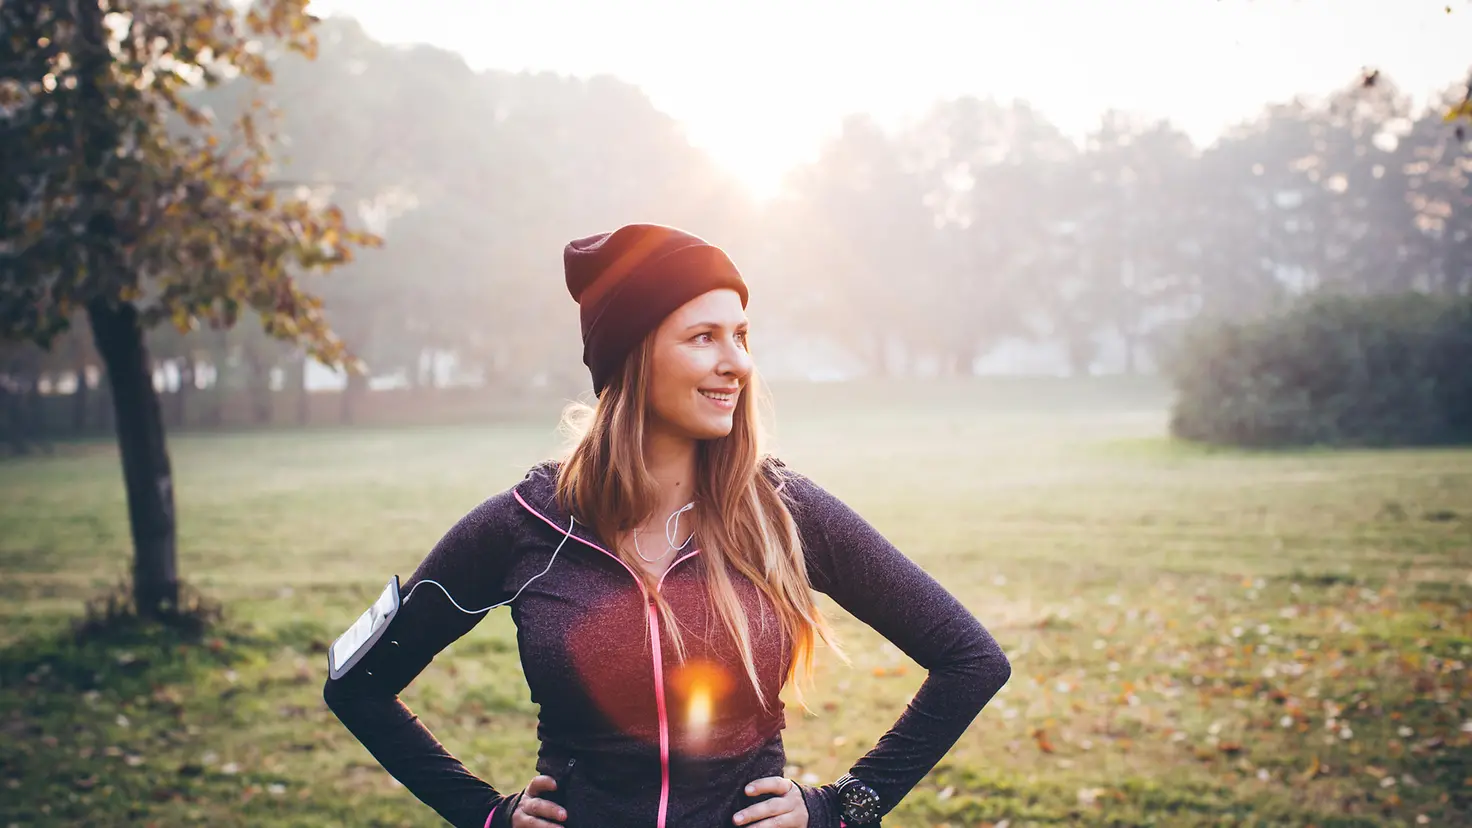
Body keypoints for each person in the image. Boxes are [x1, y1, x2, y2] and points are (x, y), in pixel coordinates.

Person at [324, 224, 1012, 828]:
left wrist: (844, 806)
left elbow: (971, 660)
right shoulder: (526, 526)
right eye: (704, 337)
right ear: (633, 356)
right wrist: (482, 812)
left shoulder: (782, 510)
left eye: (741, 337)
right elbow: (358, 684)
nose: (736, 363)